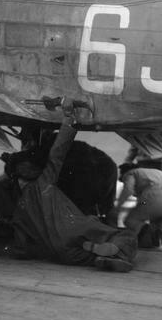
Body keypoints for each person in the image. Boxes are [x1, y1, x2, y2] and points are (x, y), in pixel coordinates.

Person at [8, 106, 137, 272]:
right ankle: (115, 252)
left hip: (63, 253)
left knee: (83, 255)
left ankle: (101, 256)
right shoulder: (44, 184)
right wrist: (69, 121)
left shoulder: (20, 209)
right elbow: (57, 154)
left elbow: (21, 247)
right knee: (127, 236)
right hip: (77, 234)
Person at [111, 163, 162, 251]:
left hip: (155, 197)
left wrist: (118, 206)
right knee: (161, 220)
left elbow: (128, 190)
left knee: (132, 220)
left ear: (124, 171)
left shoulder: (131, 173)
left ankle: (125, 246)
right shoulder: (154, 173)